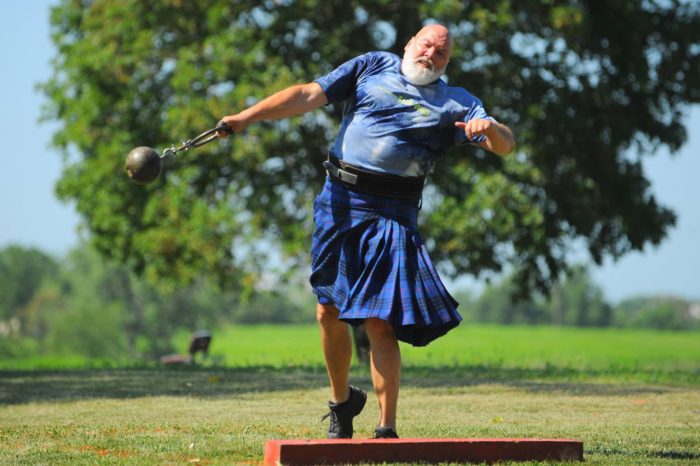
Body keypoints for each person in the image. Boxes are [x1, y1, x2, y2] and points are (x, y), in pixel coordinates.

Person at [218, 23, 515, 440]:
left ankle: (386, 428)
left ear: (447, 62)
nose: (431, 55)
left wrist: (492, 130)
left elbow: (505, 145)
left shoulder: (457, 103)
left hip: (394, 211)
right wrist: (247, 117)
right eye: (427, 45)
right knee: (328, 310)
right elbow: (308, 93)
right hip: (339, 201)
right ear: (411, 42)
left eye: (442, 53)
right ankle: (342, 403)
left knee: (379, 321)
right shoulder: (372, 66)